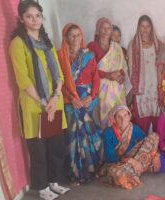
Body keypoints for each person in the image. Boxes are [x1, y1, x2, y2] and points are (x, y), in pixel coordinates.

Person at [9, 1, 70, 199]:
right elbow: (23, 80)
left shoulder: (46, 42)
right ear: (21, 19)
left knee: (56, 147)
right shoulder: (18, 44)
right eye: (29, 16)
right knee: (39, 150)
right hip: (35, 106)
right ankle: (42, 187)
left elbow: (59, 74)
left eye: (38, 15)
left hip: (54, 102)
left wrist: (55, 97)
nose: (35, 20)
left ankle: (53, 181)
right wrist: (45, 103)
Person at [58, 23, 102, 185]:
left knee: (91, 134)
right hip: (71, 102)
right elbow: (59, 83)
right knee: (73, 137)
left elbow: (96, 78)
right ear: (66, 38)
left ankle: (92, 169)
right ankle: (76, 173)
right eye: (72, 35)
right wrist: (72, 99)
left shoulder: (89, 55)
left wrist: (91, 96)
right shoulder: (60, 57)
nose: (76, 38)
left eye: (78, 34)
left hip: (88, 101)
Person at [99, 105, 160, 189]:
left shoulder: (134, 128)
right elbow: (110, 157)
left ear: (129, 116)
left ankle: (133, 172)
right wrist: (131, 161)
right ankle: (137, 170)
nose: (123, 119)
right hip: (117, 163)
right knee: (115, 172)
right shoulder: (108, 133)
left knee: (154, 136)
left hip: (135, 159)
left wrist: (155, 156)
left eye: (125, 115)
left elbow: (146, 144)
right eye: (119, 117)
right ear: (114, 119)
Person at [87, 17, 130, 129]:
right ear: (97, 30)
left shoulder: (116, 47)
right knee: (104, 119)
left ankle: (120, 143)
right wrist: (109, 75)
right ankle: (106, 142)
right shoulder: (92, 46)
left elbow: (123, 66)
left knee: (120, 117)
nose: (106, 31)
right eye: (103, 28)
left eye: (108, 28)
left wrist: (121, 75)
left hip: (117, 89)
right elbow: (90, 70)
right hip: (101, 90)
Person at [128, 15, 162, 134]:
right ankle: (141, 150)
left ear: (151, 28)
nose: (145, 29)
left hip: (156, 89)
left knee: (158, 120)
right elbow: (130, 69)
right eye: (142, 26)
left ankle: (157, 149)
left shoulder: (158, 44)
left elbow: (163, 68)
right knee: (142, 122)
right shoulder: (133, 45)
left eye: (147, 26)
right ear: (138, 28)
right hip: (141, 90)